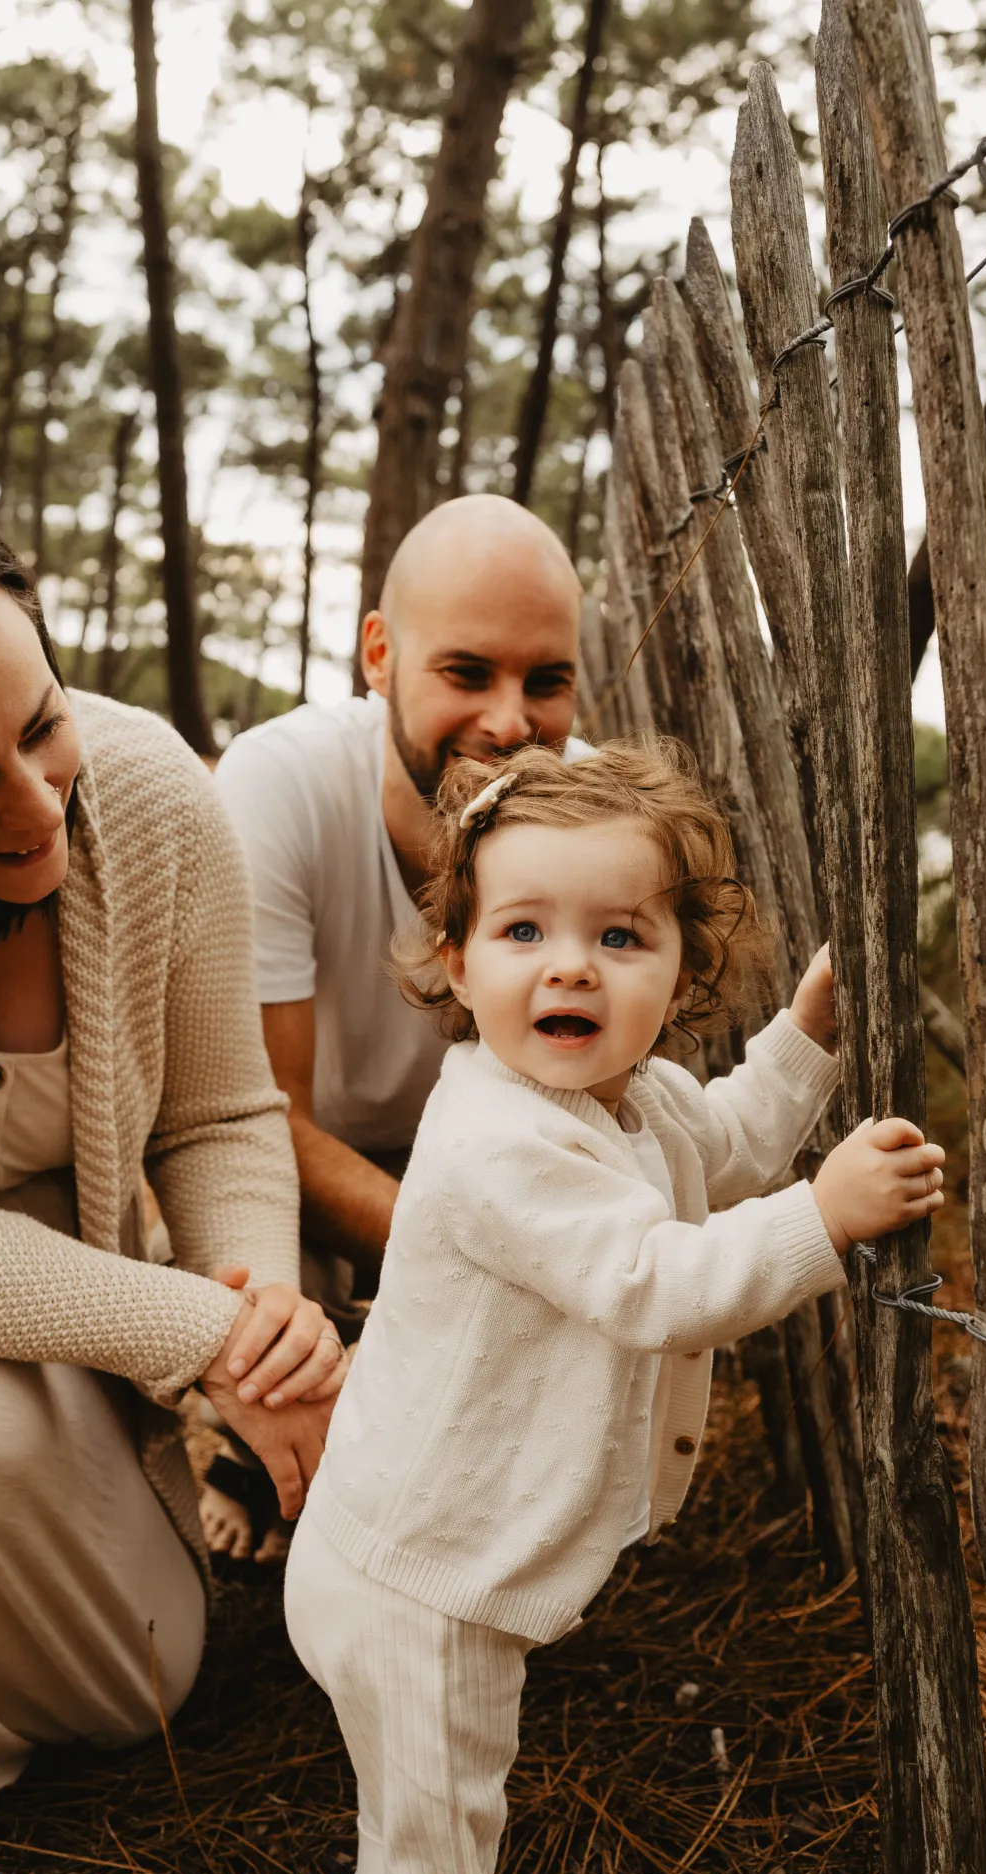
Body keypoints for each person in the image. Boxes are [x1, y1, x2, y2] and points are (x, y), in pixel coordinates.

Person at [282, 741, 947, 1874]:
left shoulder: (628, 1094)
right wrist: (824, 1219)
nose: (570, 971)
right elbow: (656, 1281)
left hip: (443, 1550)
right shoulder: (497, 1141)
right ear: (456, 959)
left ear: (682, 968)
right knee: (432, 1824)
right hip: (417, 1577)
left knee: (442, 1796)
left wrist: (804, 1034)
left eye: (619, 937)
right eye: (523, 932)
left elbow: (729, 1138)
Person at [0, 467, 343, 1835]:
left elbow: (220, 1116)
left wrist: (258, 1328)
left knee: (148, 1659)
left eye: (41, 724)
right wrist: (199, 1338)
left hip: (101, 1338)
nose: (38, 807)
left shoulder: (153, 800)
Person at [209, 494, 588, 1556]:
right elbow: (258, 1120)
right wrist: (464, 1241)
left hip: (484, 1162)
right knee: (265, 1234)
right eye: (466, 674)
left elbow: (591, 1100)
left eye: (545, 680)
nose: (511, 723)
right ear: (378, 654)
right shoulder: (277, 786)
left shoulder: (591, 819)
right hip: (297, 1167)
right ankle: (264, 1461)